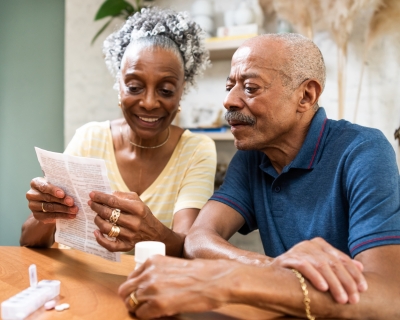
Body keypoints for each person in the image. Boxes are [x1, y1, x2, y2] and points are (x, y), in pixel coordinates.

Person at [118, 33, 400, 319]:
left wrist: (229, 280)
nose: (229, 101)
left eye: (250, 88)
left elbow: (388, 296)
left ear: (306, 96)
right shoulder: (253, 155)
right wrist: (273, 269)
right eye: (230, 87)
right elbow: (198, 239)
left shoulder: (363, 151)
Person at [20, 7, 216, 257]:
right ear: (119, 85)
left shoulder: (196, 150)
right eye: (134, 87)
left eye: (165, 90)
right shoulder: (90, 139)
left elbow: (187, 248)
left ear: (181, 92)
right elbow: (27, 241)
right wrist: (45, 213)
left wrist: (151, 231)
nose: (148, 102)